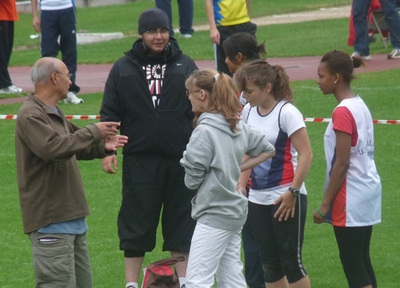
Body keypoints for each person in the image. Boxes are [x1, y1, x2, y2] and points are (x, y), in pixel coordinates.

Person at [100, 8, 198, 288]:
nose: (159, 37)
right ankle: (132, 284)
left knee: (181, 225)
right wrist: (108, 152)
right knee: (136, 223)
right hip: (140, 160)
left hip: (181, 160)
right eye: (152, 31)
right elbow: (109, 112)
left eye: (164, 31)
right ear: (141, 34)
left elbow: (201, 110)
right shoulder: (123, 67)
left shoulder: (185, 64)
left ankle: (185, 282)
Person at [15, 57, 128, 287]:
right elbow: (52, 148)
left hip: (71, 219)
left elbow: (73, 144)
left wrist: (101, 147)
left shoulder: (53, 110)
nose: (71, 80)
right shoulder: (31, 114)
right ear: (54, 78)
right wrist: (93, 131)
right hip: (51, 223)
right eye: (68, 74)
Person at [180, 69, 276, 288]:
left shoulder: (204, 131)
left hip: (214, 214)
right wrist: (233, 167)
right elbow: (268, 149)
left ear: (202, 94)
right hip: (234, 214)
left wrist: (229, 166)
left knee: (197, 281)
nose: (188, 98)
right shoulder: (237, 125)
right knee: (232, 280)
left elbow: (191, 181)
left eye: (190, 92)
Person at [235, 59, 313, 288]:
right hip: (257, 197)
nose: (244, 96)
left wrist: (293, 192)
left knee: (291, 262)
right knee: (268, 261)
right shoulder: (248, 111)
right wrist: (242, 184)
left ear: (267, 88)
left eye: (249, 91)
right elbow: (247, 152)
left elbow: (306, 154)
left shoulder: (287, 112)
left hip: (285, 195)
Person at [314, 50, 382, 288]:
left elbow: (342, 162)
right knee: (363, 261)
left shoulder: (342, 111)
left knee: (354, 267)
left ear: (336, 78)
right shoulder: (359, 104)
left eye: (322, 76)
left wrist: (324, 206)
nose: (318, 80)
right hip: (367, 190)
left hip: (349, 197)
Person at [223, 31, 266, 288]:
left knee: (253, 243)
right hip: (264, 175)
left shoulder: (248, 93)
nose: (225, 63)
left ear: (238, 57)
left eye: (227, 58)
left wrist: (241, 180)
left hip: (255, 178)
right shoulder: (265, 83)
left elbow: (248, 139)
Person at [31, 0, 84, 103]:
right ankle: (50, 91)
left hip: (67, 8)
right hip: (47, 10)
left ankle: (69, 91)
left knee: (69, 51)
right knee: (48, 54)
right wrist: (35, 15)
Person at [205, 0, 257, 77]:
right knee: (224, 68)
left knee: (251, 63)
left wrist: (247, 16)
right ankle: (225, 88)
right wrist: (213, 28)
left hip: (243, 22)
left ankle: (250, 87)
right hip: (222, 24)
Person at [0, 0, 23, 94]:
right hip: (2, 15)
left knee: (6, 49)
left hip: (8, 13)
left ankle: (4, 83)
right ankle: (4, 84)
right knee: (2, 51)